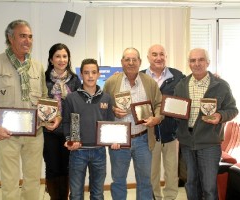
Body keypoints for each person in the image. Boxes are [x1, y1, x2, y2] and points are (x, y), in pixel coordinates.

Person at [0, 19, 61, 200]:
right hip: (7, 135)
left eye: (30, 37)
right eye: (22, 36)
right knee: (10, 181)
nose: (27, 40)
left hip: (35, 134)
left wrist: (54, 117)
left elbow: (45, 99)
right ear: (10, 38)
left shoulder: (37, 66)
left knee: (33, 181)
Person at [174, 48, 238, 200]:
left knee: (209, 188)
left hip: (209, 143)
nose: (196, 64)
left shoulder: (221, 85)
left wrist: (220, 116)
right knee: (191, 184)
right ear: (189, 63)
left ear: (208, 62)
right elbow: (176, 109)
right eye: (192, 60)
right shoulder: (181, 85)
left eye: (201, 59)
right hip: (187, 143)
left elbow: (233, 109)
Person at [103, 47, 164, 200]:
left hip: (143, 139)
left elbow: (159, 105)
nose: (131, 63)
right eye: (127, 59)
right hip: (119, 140)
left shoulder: (149, 82)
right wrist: (112, 110)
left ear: (140, 62)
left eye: (134, 59)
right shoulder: (111, 82)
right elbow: (103, 106)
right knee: (118, 181)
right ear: (122, 62)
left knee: (145, 181)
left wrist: (156, 119)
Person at [62, 58, 115, 200]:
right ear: (81, 75)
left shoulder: (107, 98)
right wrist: (70, 140)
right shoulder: (71, 98)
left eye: (93, 72)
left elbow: (110, 123)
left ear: (98, 74)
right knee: (76, 194)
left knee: (98, 194)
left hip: (99, 151)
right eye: (86, 73)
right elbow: (66, 122)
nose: (90, 76)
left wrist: (114, 140)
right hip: (78, 152)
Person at [141, 44, 185, 200]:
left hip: (171, 133)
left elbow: (189, 95)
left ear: (166, 57)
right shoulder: (140, 77)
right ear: (148, 57)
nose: (158, 58)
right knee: (151, 172)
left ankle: (170, 197)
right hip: (148, 133)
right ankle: (155, 197)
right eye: (154, 54)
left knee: (172, 171)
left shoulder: (178, 76)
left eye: (161, 54)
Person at [43, 43, 81, 200]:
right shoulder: (44, 79)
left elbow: (78, 107)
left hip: (69, 131)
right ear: (51, 59)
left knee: (67, 168)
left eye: (65, 56)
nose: (61, 59)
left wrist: (75, 133)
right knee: (52, 168)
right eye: (57, 56)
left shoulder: (74, 80)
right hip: (49, 131)